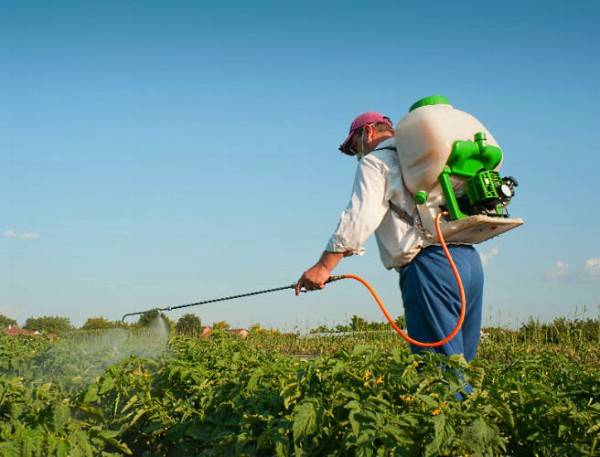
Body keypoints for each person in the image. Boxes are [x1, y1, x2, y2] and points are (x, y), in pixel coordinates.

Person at [295, 112, 484, 361]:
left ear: (368, 132)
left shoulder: (376, 161)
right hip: (468, 261)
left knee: (439, 374)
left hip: (430, 266)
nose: (358, 155)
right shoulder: (424, 159)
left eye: (355, 146)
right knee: (462, 364)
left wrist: (323, 266)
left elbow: (360, 215)